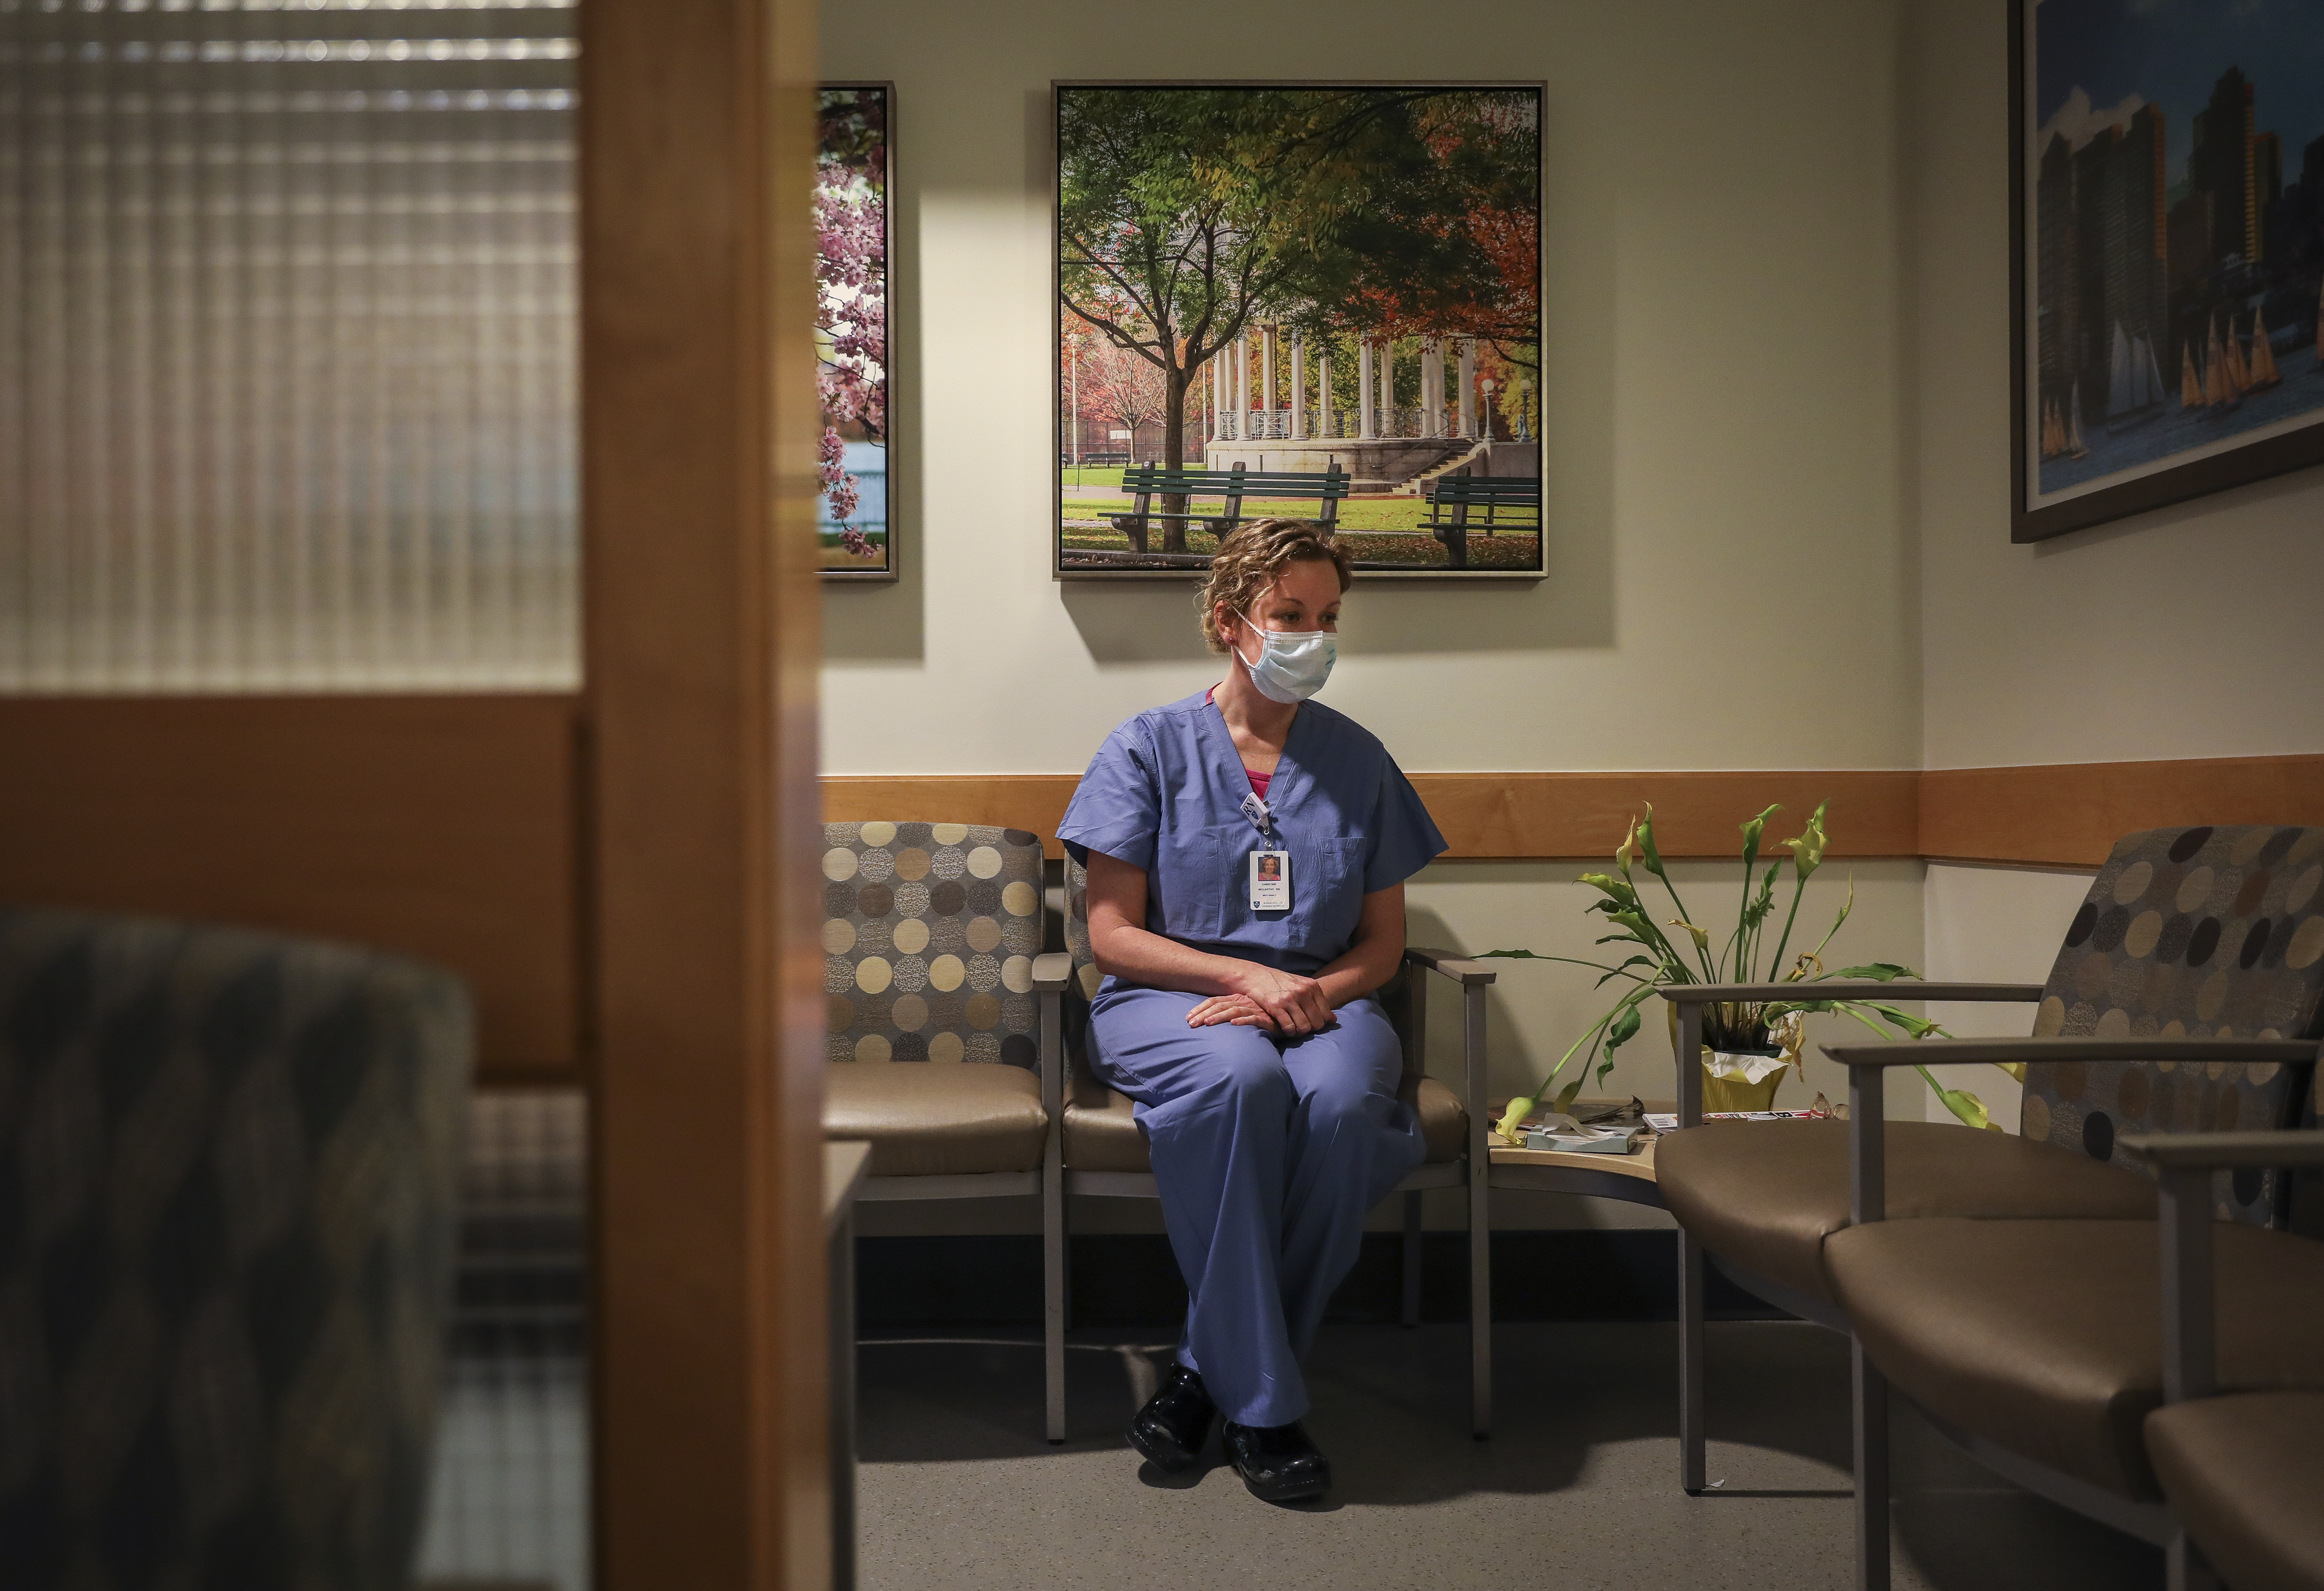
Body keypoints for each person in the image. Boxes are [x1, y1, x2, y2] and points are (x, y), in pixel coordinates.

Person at [1056, 519, 1447, 1503]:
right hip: (1168, 997)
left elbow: (1382, 948)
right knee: (1238, 1079)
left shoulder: (1358, 760)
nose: (1312, 635)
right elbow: (1114, 937)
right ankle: (1267, 1409)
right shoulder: (1146, 748)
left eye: (1327, 617)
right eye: (1289, 615)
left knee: (1348, 1108)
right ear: (1231, 621)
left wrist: (1305, 989)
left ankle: (1202, 1371)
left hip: (1324, 997)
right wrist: (1242, 982)